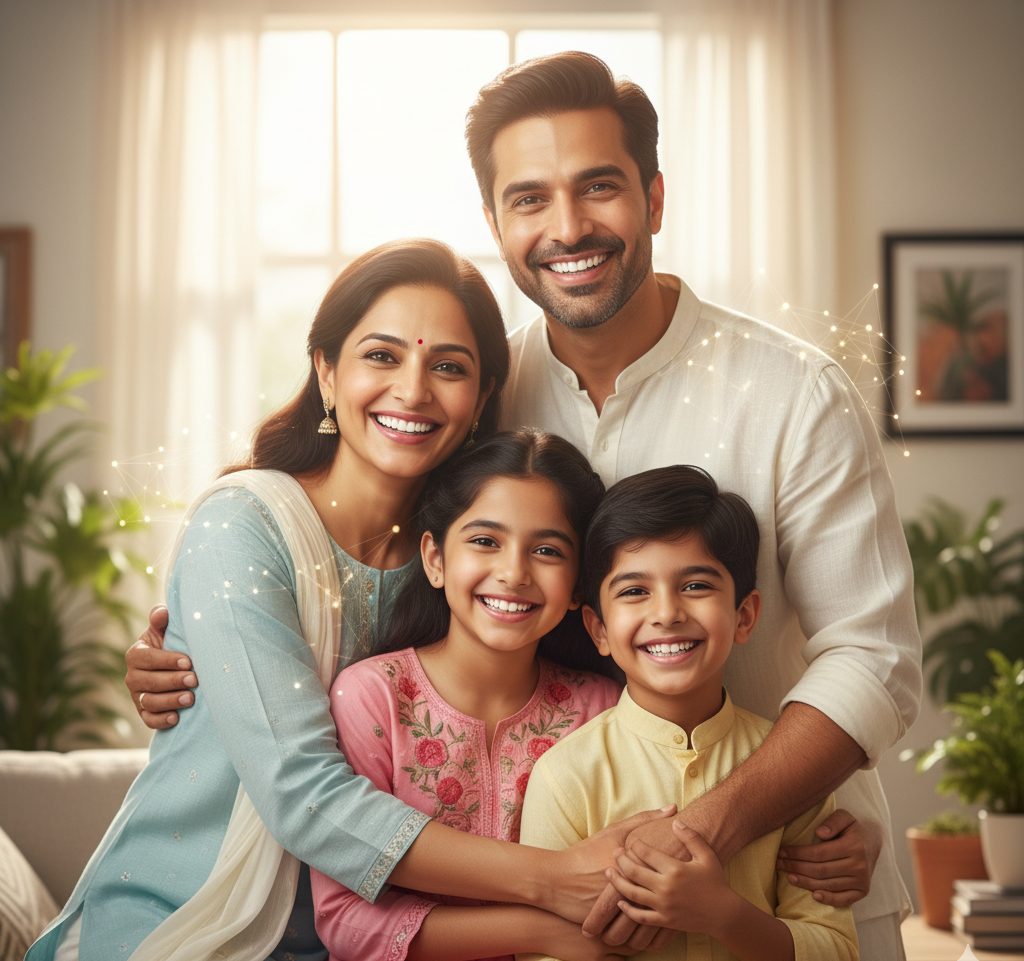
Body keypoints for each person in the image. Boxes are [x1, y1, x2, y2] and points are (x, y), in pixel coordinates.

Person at [126, 51, 921, 956]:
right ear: (496, 223)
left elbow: (874, 658)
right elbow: (392, 582)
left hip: (791, 875)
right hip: (572, 902)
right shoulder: (475, 391)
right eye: (530, 198)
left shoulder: (795, 391)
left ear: (655, 199)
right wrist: (195, 645)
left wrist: (712, 829)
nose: (568, 225)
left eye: (599, 187)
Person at [28, 239, 670, 961]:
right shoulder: (242, 525)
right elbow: (302, 790)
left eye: (449, 366)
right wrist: (552, 883)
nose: (414, 390)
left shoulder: (468, 563)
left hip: (354, 938)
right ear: (327, 373)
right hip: (181, 914)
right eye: (381, 356)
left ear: (484, 395)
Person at [311, 429, 632, 960]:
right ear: (435, 559)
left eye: (548, 550)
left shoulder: (601, 708)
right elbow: (343, 918)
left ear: (580, 584)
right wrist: (540, 931)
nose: (512, 572)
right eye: (485, 541)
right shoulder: (373, 697)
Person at [519, 466, 859, 961]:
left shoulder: (790, 769)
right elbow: (543, 953)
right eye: (635, 591)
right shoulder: (565, 777)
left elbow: (837, 949)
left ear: (744, 615)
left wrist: (724, 916)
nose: (667, 612)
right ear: (599, 631)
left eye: (696, 585)